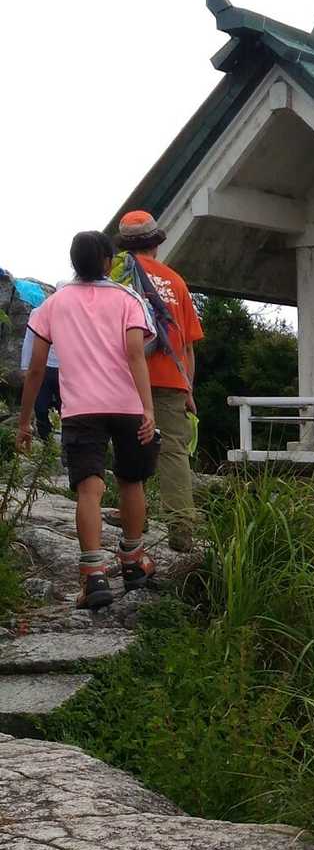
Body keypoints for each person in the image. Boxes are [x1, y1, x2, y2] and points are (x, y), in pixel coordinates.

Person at [17, 231, 159, 612]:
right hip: (127, 405)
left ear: (73, 262)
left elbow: (35, 369)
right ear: (108, 262)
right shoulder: (129, 299)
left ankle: (93, 576)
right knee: (131, 481)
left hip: (81, 409)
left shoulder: (52, 304)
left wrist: (25, 422)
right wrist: (148, 409)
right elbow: (136, 354)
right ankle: (133, 561)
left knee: (89, 489)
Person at [112, 210, 202, 552]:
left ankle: (136, 518)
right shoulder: (176, 282)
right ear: (156, 243)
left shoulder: (118, 276)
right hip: (171, 379)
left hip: (126, 376)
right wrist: (188, 389)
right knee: (174, 451)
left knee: (129, 444)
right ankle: (180, 529)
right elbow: (188, 346)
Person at [20, 320, 61, 439]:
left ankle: (67, 442)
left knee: (65, 408)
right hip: (43, 366)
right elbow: (29, 340)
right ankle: (46, 439)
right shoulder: (37, 313)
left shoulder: (71, 312)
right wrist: (24, 367)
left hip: (65, 368)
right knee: (41, 408)